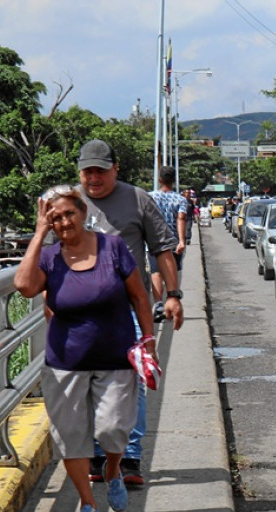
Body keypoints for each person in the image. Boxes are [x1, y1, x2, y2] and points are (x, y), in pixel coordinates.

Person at [14, 186, 156, 512]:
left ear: (83, 212)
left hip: (116, 358)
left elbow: (138, 296)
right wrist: (38, 234)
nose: (63, 222)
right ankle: (88, 503)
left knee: (113, 430)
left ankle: (112, 470)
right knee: (72, 437)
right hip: (66, 362)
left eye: (68, 214)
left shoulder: (113, 247)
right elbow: (24, 285)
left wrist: (148, 340)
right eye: (55, 217)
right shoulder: (49, 257)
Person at [78, 139, 182, 486]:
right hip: (82, 313)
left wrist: (173, 295)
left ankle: (130, 458)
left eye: (100, 171)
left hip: (131, 307)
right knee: (91, 383)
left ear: (115, 169)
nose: (93, 178)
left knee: (134, 380)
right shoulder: (69, 201)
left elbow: (162, 249)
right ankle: (96, 453)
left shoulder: (137, 198)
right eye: (87, 171)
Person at [149, 166, 188, 322]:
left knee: (156, 272)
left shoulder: (150, 197)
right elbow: (181, 219)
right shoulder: (180, 199)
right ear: (173, 181)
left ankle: (158, 305)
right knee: (172, 272)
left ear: (159, 180)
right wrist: (181, 241)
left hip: (154, 240)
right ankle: (171, 300)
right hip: (172, 241)